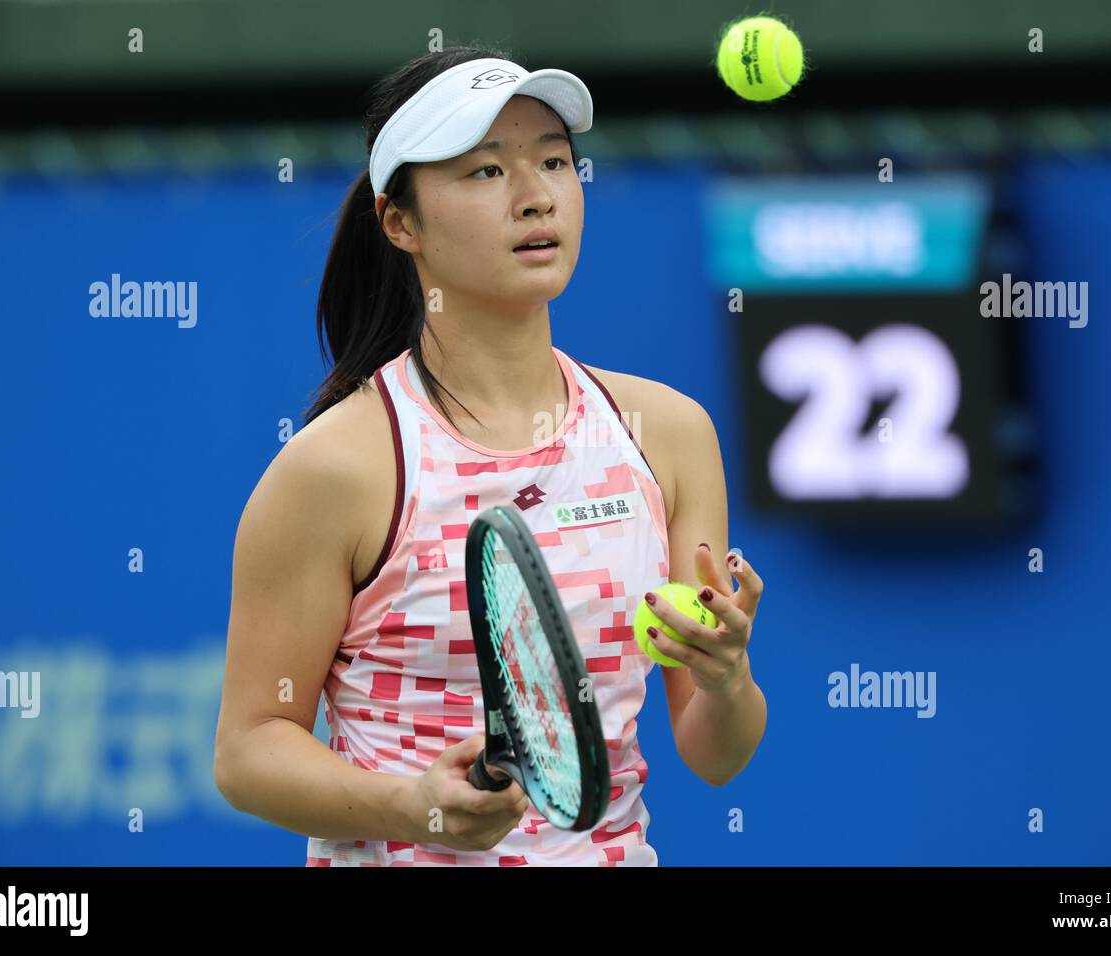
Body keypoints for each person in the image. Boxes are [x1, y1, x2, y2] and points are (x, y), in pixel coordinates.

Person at [213, 45, 767, 866]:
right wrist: (411, 806)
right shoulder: (337, 468)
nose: (537, 196)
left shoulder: (668, 432)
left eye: (554, 161)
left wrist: (724, 677)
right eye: (484, 173)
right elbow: (249, 748)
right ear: (399, 222)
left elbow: (714, 754)